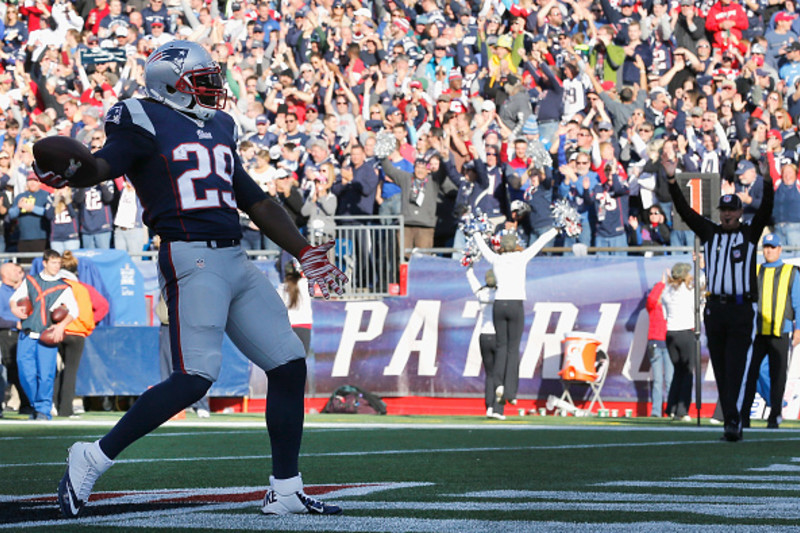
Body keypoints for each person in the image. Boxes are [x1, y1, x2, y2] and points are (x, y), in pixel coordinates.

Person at [34, 41, 346, 518]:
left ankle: (285, 488)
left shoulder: (219, 124)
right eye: (202, 80)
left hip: (236, 258)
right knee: (196, 376)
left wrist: (302, 250)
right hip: (190, 256)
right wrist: (76, 173)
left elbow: (255, 200)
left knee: (288, 365)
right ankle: (91, 457)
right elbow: (105, 164)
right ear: (171, 86)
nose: (214, 88)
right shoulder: (139, 114)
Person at [667, 153, 773, 442]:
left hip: (741, 309)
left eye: (732, 210)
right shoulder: (711, 233)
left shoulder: (750, 235)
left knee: (736, 366)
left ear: (739, 212)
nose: (727, 214)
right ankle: (731, 419)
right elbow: (685, 211)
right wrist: (672, 180)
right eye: (723, 210)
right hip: (715, 308)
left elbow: (766, 209)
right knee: (721, 367)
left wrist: (766, 178)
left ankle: (732, 419)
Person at [473, 227, 559, 407]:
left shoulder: (495, 259)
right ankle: (511, 392)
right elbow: (540, 241)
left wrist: (475, 233)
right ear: (516, 246)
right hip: (515, 305)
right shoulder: (522, 257)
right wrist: (556, 229)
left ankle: (498, 384)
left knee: (501, 346)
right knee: (513, 349)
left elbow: (482, 247)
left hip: (499, 304)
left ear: (502, 247)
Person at [9, 250, 79, 421]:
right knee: (26, 374)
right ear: (45, 263)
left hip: (47, 336)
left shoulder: (64, 287)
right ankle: (35, 404)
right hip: (27, 334)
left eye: (59, 263)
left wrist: (61, 326)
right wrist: (15, 308)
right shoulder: (30, 281)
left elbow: (74, 311)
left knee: (46, 375)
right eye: (54, 263)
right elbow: (14, 299)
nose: (57, 266)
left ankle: (43, 409)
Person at [741, 233, 800, 429]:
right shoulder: (756, 271)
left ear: (780, 249)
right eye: (766, 247)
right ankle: (744, 416)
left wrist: (798, 328)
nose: (769, 250)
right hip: (758, 332)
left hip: (780, 331)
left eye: (773, 247)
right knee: (750, 375)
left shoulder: (791, 272)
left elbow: (798, 302)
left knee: (778, 375)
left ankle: (774, 415)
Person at [53, 251, 109, 418]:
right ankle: (66, 409)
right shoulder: (84, 288)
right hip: (76, 332)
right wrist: (90, 321)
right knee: (70, 372)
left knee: (54, 371)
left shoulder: (53, 285)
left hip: (55, 331)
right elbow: (103, 306)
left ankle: (50, 405)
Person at [155, 294, 210, 418]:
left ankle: (200, 405)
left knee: (192, 366)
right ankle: (171, 405)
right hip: (167, 325)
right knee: (168, 368)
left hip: (187, 325)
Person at [661, 263, 697, 422]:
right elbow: (696, 308)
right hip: (685, 332)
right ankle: (682, 411)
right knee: (688, 371)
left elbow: (664, 313)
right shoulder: (689, 291)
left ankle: (672, 407)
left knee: (678, 371)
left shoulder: (666, 292)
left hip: (670, 333)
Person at [465, 265, 501, 419]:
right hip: (498, 336)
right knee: (500, 374)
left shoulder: (481, 293)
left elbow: (470, 278)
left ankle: (488, 407)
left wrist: (470, 266)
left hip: (484, 336)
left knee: (490, 374)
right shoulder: (501, 293)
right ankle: (498, 408)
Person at [0, 262, 27, 417]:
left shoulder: (21, 290)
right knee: (11, 370)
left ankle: (26, 403)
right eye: (14, 270)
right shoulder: (2, 292)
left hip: (21, 333)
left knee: (20, 370)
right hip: (8, 333)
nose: (19, 272)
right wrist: (14, 323)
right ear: (5, 274)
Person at [645, 272, 673, 418]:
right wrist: (661, 283)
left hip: (669, 344)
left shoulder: (672, 307)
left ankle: (671, 410)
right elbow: (650, 300)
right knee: (658, 380)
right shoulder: (654, 307)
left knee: (670, 380)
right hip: (656, 344)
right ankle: (656, 411)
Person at [277, 261, 313, 357]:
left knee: (289, 360)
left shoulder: (282, 288)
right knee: (302, 359)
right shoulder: (305, 284)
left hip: (288, 326)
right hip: (304, 326)